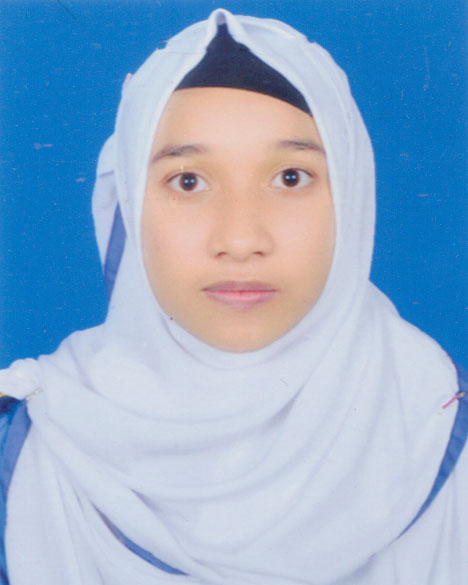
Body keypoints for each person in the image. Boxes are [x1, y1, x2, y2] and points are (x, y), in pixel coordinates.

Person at [0, 8, 467, 585]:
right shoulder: (32, 441)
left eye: (291, 177)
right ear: (129, 203)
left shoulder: (438, 425)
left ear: (352, 194)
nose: (241, 240)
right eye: (188, 181)